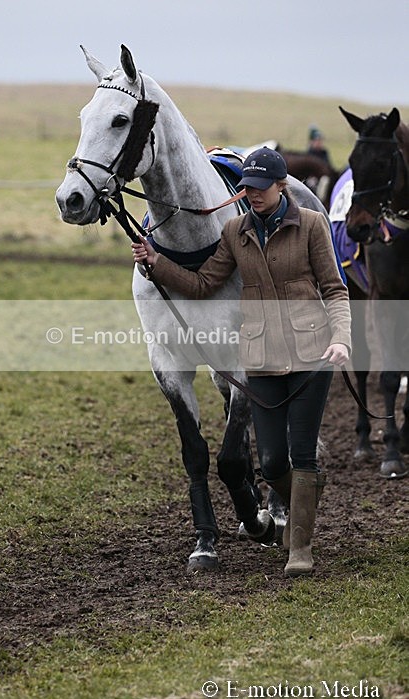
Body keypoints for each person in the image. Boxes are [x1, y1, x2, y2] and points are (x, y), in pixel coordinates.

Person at [132, 147, 351, 578]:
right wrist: (157, 264)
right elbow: (203, 283)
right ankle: (300, 503)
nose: (251, 194)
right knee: (270, 463)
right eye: (246, 187)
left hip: (310, 354)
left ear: (281, 186)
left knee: (302, 453)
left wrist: (342, 338)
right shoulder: (234, 232)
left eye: (259, 188)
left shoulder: (311, 225)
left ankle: (299, 546)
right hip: (262, 357)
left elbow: (335, 288)